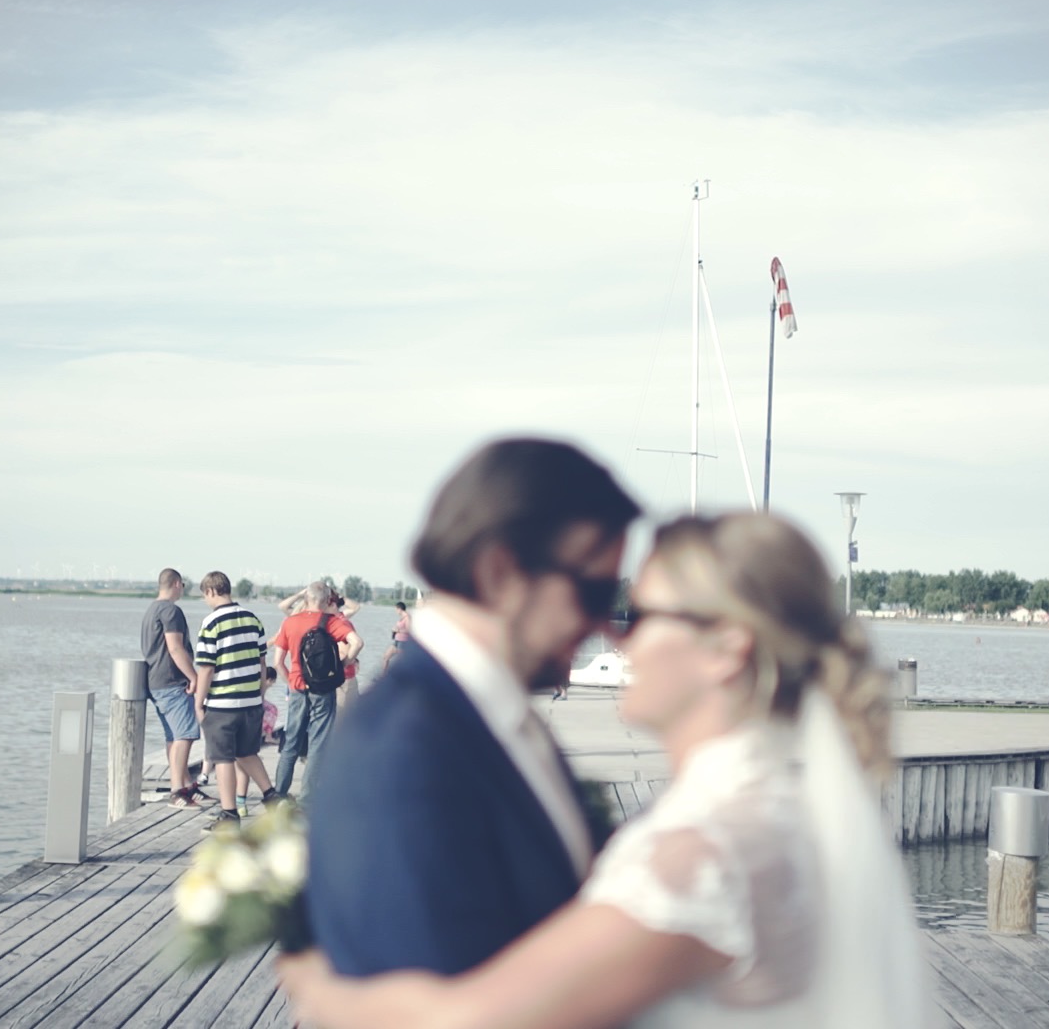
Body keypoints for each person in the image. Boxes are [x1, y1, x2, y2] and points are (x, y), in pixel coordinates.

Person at [280, 510, 928, 1029]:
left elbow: (467, 1021)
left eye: (642, 616)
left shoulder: (705, 857)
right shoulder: (771, 808)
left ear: (727, 650)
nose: (613, 635)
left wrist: (317, 984)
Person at [300, 438, 639, 979]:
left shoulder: (488, 711)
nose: (603, 625)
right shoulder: (403, 748)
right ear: (501, 573)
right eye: (594, 591)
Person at [193, 570, 282, 823]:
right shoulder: (253, 619)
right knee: (246, 752)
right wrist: (260, 693)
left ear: (211, 591)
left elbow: (206, 668)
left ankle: (229, 814)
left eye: (205, 596)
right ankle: (271, 797)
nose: (206, 601)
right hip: (251, 702)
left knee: (222, 758)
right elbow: (262, 662)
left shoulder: (211, 623)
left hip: (223, 704)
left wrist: (199, 703)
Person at [268, 581, 363, 797]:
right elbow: (357, 643)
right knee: (318, 742)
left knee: (291, 742)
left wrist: (290, 681)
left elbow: (277, 662)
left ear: (306, 599)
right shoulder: (331, 622)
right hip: (323, 690)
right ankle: (306, 799)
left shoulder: (290, 622)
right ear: (327, 599)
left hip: (297, 689)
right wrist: (342, 666)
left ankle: (280, 794)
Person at [140, 568, 204, 809]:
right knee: (186, 734)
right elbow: (175, 648)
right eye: (183, 585)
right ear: (177, 584)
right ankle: (177, 791)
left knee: (173, 735)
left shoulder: (151, 610)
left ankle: (186, 785)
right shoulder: (170, 610)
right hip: (171, 682)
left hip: (155, 682)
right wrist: (194, 676)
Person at [383, 600, 412, 672]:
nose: (396, 611)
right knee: (386, 657)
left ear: (400, 609)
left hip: (403, 642)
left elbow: (409, 630)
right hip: (396, 641)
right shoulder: (402, 617)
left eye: (396, 609)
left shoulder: (407, 618)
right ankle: (383, 676)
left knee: (401, 662)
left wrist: (398, 631)